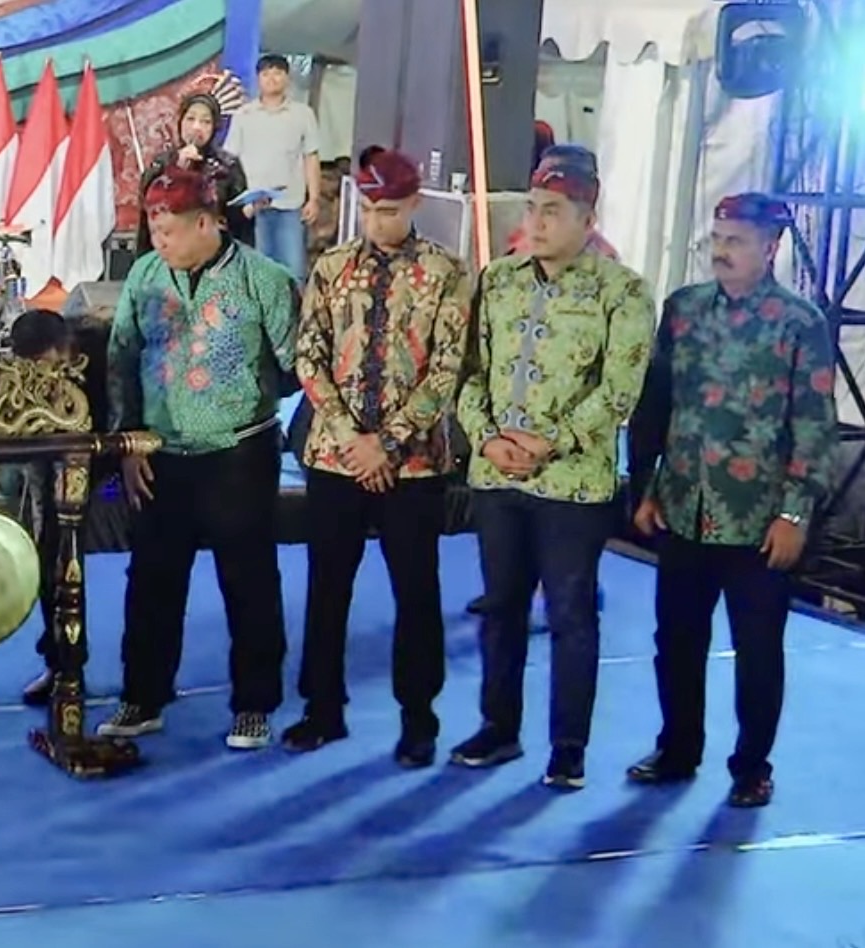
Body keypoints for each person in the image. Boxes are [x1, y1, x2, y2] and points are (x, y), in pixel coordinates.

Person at [626, 193, 835, 808]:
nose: (721, 251)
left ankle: (751, 767)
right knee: (676, 642)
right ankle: (677, 747)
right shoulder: (684, 309)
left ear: (770, 247)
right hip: (684, 508)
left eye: (735, 240)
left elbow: (814, 425)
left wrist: (795, 512)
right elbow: (656, 406)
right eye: (717, 238)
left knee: (758, 652)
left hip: (758, 521)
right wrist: (644, 486)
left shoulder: (799, 323)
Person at [452, 160, 655, 789]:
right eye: (532, 208)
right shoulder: (498, 280)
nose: (536, 223)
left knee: (570, 615)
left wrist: (552, 441)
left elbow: (620, 391)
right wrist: (486, 438)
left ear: (587, 221)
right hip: (498, 477)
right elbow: (470, 375)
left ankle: (568, 747)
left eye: (553, 212)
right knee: (501, 608)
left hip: (573, 484)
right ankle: (498, 728)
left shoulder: (622, 292)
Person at [97, 164, 297, 750]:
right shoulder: (144, 276)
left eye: (170, 230)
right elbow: (121, 359)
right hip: (160, 453)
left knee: (249, 580)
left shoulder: (265, 280)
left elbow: (295, 365)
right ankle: (143, 695)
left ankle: (254, 705)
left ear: (207, 222)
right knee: (151, 579)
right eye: (154, 229)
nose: (159, 240)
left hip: (239, 450)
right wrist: (128, 440)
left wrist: (240, 396)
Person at [284, 148, 471, 768]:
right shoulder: (331, 267)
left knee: (416, 591)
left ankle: (418, 718)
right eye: (367, 209)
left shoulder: (446, 272)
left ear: (414, 203)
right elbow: (308, 356)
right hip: (335, 457)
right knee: (326, 587)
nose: (376, 221)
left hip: (413, 465)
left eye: (388, 210)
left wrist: (387, 442)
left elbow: (447, 370)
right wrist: (350, 436)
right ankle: (322, 709)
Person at [0, 309, 82, 705]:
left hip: (98, 450)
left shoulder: (95, 359)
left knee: (66, 561)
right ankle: (61, 665)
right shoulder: (11, 377)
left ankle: (70, 667)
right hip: (48, 460)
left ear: (65, 350)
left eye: (46, 363)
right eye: (29, 365)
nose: (40, 373)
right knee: (50, 561)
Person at [222, 53, 322, 280]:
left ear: (287, 78)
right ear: (258, 79)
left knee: (293, 270)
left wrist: (314, 198)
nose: (272, 78)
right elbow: (229, 160)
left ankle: (293, 304)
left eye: (277, 73)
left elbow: (311, 157)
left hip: (291, 205)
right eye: (266, 74)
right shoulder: (243, 115)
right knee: (259, 272)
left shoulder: (303, 114)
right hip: (253, 207)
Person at [134, 91, 252, 256]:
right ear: (180, 122)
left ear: (214, 127)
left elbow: (237, 221)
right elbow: (149, 206)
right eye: (190, 119)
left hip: (214, 256)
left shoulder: (227, 165)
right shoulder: (162, 163)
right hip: (168, 254)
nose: (197, 127)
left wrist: (249, 210)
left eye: (206, 121)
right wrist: (177, 169)